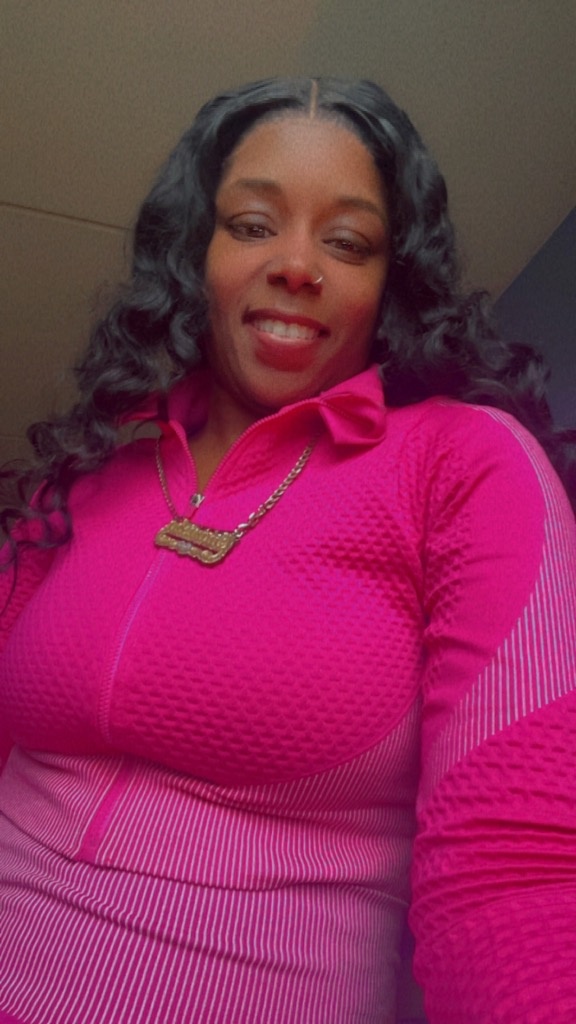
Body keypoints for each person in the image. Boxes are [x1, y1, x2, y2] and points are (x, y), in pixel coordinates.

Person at [1, 77, 575, 1024]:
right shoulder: (95, 460)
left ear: (391, 282)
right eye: (253, 225)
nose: (298, 265)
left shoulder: (468, 464)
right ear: (198, 252)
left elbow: (521, 868)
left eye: (347, 242)